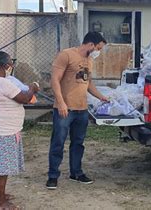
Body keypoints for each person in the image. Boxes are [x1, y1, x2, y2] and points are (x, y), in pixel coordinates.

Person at [0, 51, 39, 209]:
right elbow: (24, 98)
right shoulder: (1, 82)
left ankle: (0, 195)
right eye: (11, 62)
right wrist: (33, 88)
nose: (12, 65)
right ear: (4, 66)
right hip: (1, 131)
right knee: (0, 169)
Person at [46, 31, 109, 190]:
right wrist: (61, 103)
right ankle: (53, 176)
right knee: (58, 142)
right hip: (65, 109)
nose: (98, 52)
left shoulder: (89, 60)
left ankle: (76, 172)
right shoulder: (66, 55)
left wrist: (102, 97)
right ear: (90, 44)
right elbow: (54, 80)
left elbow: (88, 83)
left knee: (78, 143)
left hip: (82, 109)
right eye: (98, 48)